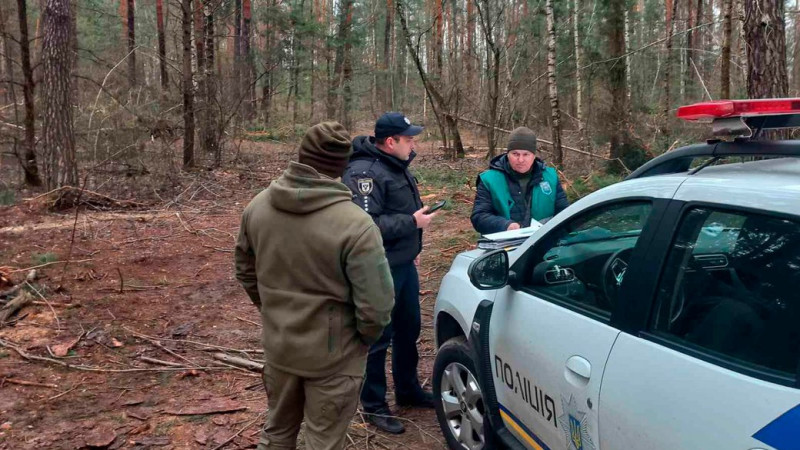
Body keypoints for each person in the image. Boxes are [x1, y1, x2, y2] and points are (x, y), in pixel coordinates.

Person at [235, 121, 395, 450]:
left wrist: (272, 311)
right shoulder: (356, 225)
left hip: (280, 348)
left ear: (302, 157)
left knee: (277, 432)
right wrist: (360, 340)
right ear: (342, 165)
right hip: (334, 358)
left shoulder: (258, 207)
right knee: (322, 442)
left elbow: (245, 270)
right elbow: (377, 307)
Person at [342, 112, 437, 435]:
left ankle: (408, 390)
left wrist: (412, 249)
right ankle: (374, 405)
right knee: (377, 337)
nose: (413, 145)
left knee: (408, 330)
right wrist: (412, 223)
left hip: (403, 264)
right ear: (391, 141)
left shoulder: (396, 166)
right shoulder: (363, 173)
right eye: (409, 139)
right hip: (376, 269)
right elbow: (366, 226)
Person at [471, 126, 570, 235]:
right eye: (515, 154)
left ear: (534, 155)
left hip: (543, 242)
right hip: (504, 245)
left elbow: (564, 212)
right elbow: (479, 217)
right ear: (507, 154)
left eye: (526, 154)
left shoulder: (550, 177)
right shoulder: (489, 180)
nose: (520, 160)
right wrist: (505, 225)